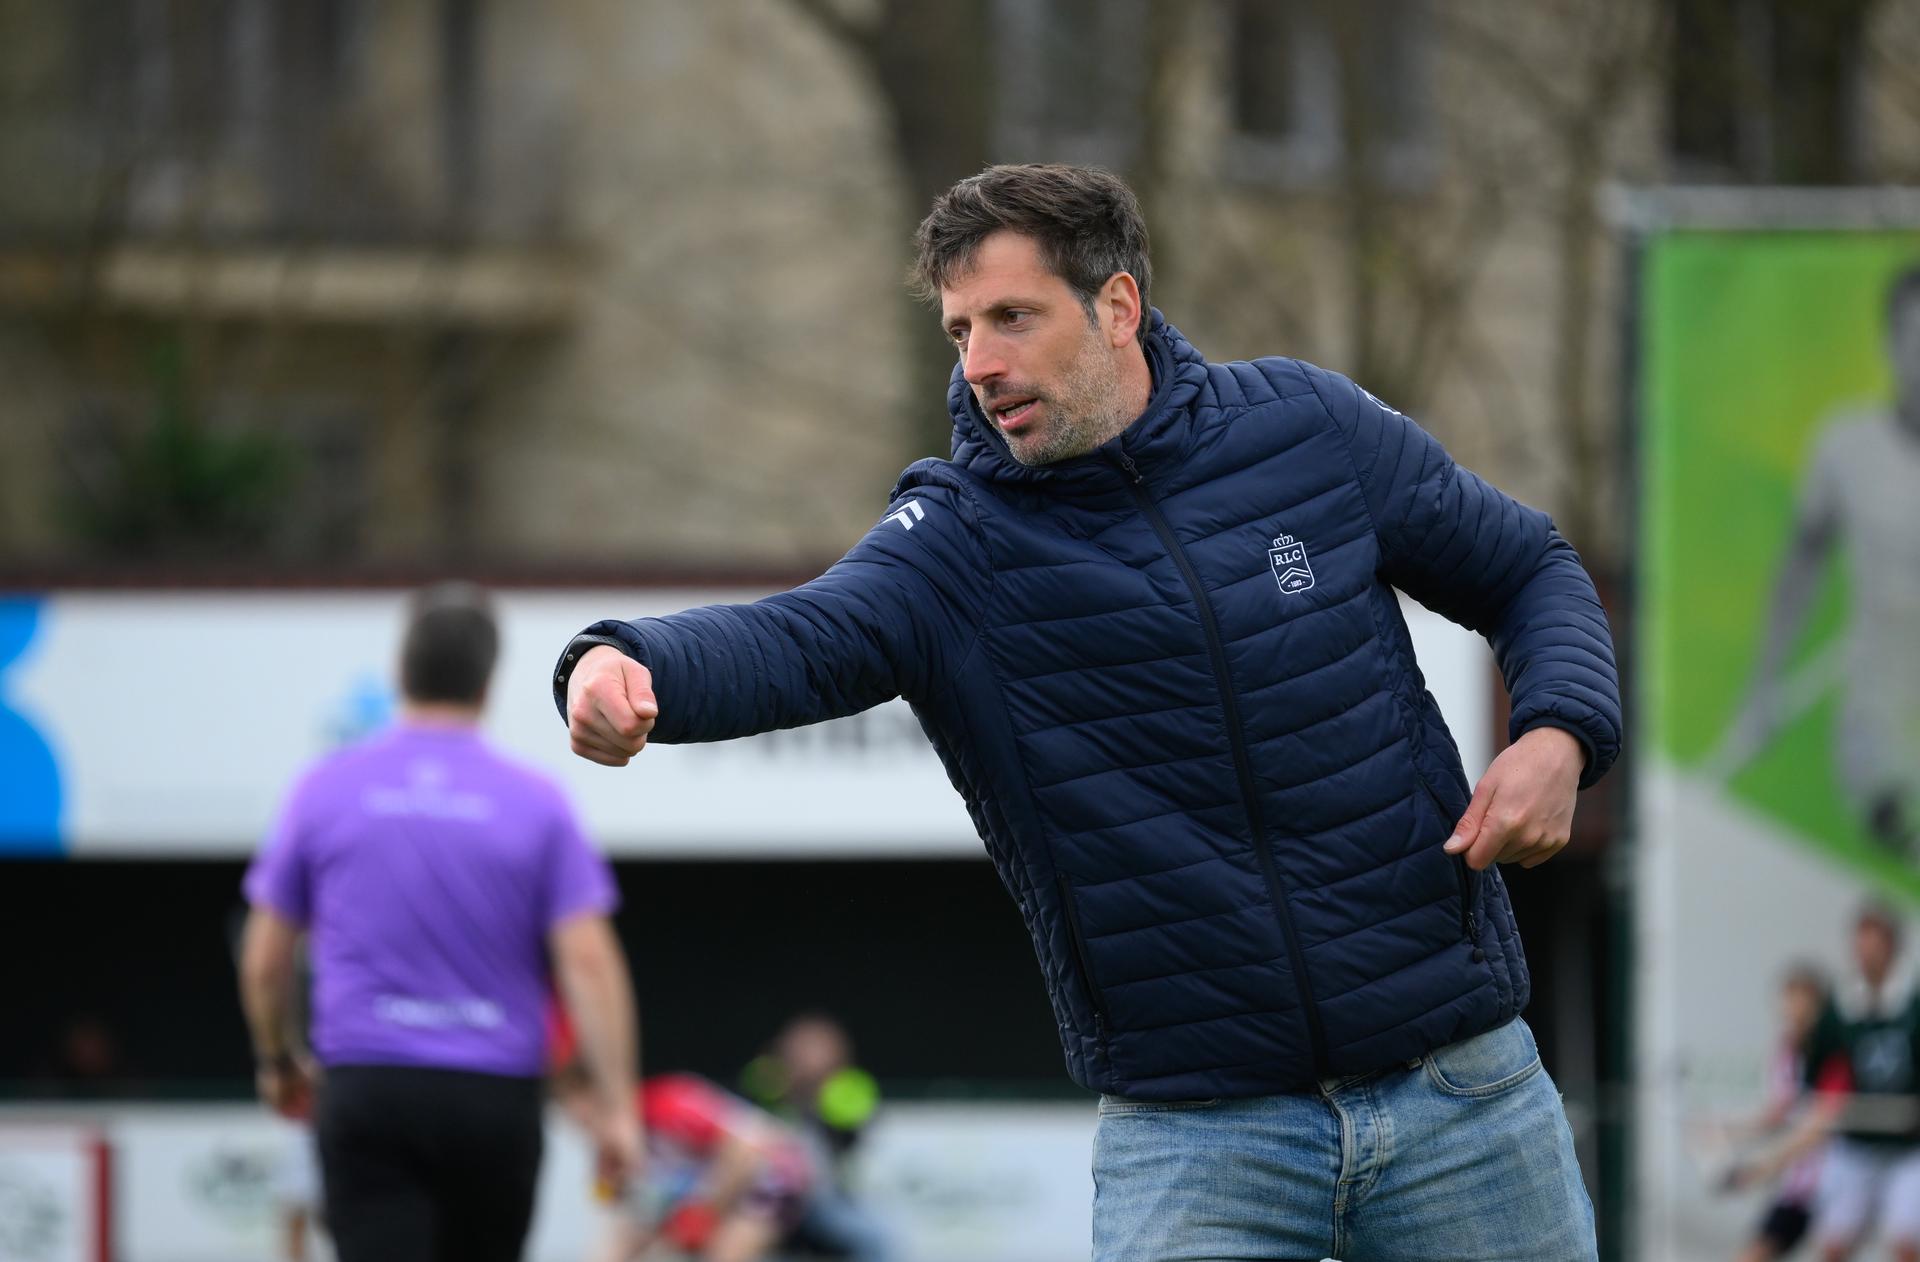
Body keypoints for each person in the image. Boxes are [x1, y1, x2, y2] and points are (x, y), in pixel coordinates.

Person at [555, 163, 1621, 1261]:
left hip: (1461, 1091)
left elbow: (1529, 567)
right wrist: (624, 660)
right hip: (1198, 1140)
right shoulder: (955, 544)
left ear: (1118, 307)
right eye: (960, 329)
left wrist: (1558, 732)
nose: (979, 363)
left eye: (1012, 317)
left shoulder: (1309, 427)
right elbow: (801, 635)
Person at [240, 583, 640, 1262]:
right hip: (494, 1095)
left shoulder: (325, 788)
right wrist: (618, 1111)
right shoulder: (536, 801)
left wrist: (278, 1060)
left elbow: (266, 960)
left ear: (400, 671)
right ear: (488, 682)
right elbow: (589, 965)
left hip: (368, 1085)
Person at [1720, 267, 1920, 858]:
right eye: (1912, 337)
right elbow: (1800, 570)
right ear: (1891, 343)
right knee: (1891, 827)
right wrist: (1762, 686)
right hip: (1881, 713)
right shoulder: (1848, 447)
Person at [553, 1060, 816, 1262]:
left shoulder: (666, 1103)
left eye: (588, 1118)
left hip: (773, 1167)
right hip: (709, 1183)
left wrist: (702, 1212)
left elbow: (742, 1152)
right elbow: (628, 1210)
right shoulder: (610, 1144)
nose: (584, 1127)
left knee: (723, 1254)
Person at [1802, 901, 1920, 1262]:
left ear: (1892, 947)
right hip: (1856, 1144)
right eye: (1860, 944)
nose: (1866, 953)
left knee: (1906, 1241)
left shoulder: (1913, 1002)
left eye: (1875, 944)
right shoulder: (1841, 1006)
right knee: (1834, 1243)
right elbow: (1818, 1073)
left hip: (1908, 1147)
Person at [1719, 964, 1845, 1262]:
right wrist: (1727, 1130)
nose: (1792, 1013)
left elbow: (1822, 1124)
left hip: (1834, 1179)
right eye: (1788, 1004)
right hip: (1798, 1185)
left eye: (1802, 1005)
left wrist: (1765, 1166)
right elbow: (1779, 1112)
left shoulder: (1835, 1053)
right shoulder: (1787, 1051)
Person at [741, 1014, 892, 1261]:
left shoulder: (844, 1092)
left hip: (823, 1201)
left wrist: (818, 1090)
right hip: (769, 1199)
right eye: (801, 1050)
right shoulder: (767, 1087)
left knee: (878, 1236)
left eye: (817, 1050)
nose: (809, 1059)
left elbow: (852, 1137)